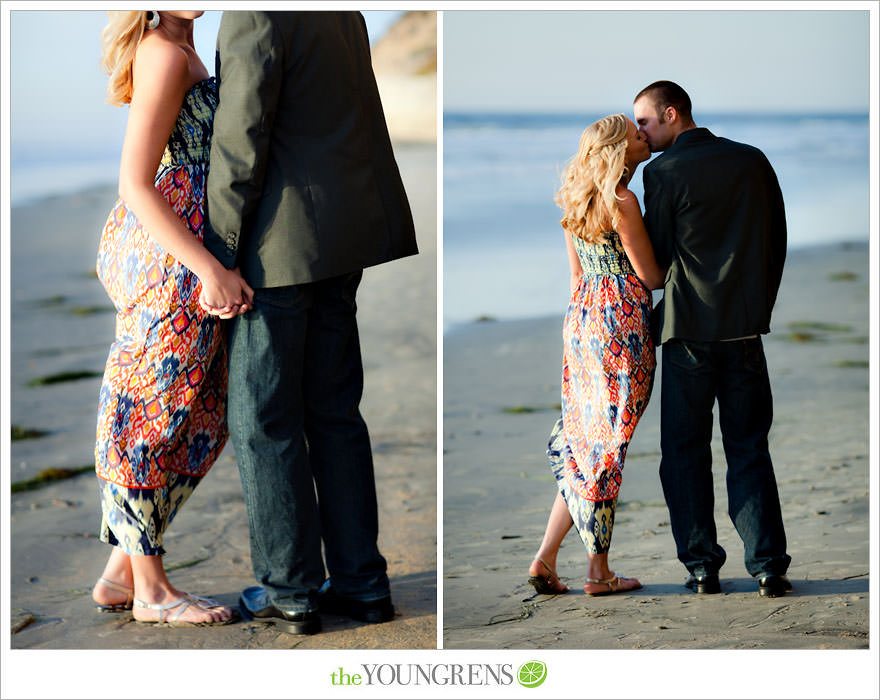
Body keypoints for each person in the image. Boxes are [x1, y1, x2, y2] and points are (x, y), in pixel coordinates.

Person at [202, 11, 418, 635]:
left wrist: (221, 251)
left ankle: (290, 590)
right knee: (336, 412)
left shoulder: (256, 13)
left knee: (264, 419)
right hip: (342, 239)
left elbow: (241, 134)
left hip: (276, 248)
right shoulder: (343, 13)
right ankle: (362, 585)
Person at [91, 10, 253, 626]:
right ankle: (153, 593)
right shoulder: (163, 50)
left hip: (182, 246)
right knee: (148, 412)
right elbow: (135, 181)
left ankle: (121, 571)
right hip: (168, 255)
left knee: (203, 410)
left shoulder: (184, 43)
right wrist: (206, 267)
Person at [633, 80, 792, 598]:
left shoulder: (662, 172)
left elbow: (656, 256)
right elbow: (777, 241)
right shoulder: (753, 160)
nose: (641, 132)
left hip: (687, 333)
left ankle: (702, 568)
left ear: (672, 114)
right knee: (749, 449)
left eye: (645, 122)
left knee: (683, 452)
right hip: (744, 328)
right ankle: (768, 566)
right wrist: (758, 307)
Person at [528, 114, 665, 597]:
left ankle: (546, 558)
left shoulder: (574, 199)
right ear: (616, 149)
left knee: (586, 443)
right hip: (621, 322)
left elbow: (576, 277)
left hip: (583, 320)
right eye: (634, 133)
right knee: (607, 447)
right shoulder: (622, 201)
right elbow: (650, 276)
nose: (642, 136)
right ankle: (598, 572)